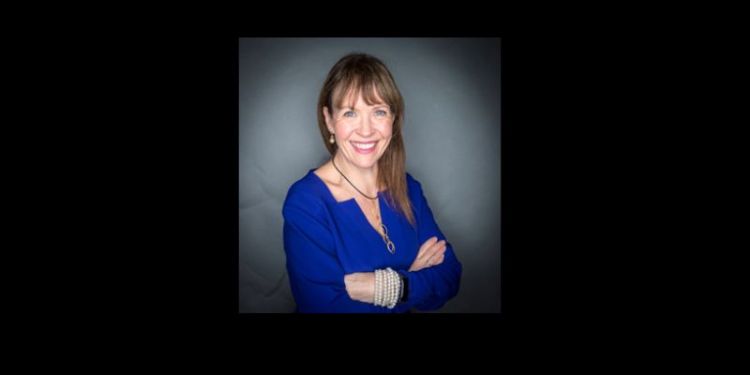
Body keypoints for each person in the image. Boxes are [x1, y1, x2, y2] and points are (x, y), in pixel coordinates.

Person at [282, 53, 462, 313]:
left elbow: (449, 277)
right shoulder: (306, 203)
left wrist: (385, 287)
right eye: (350, 113)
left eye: (378, 112)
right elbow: (323, 308)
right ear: (329, 120)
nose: (366, 130)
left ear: (393, 119)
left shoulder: (409, 188)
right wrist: (411, 280)